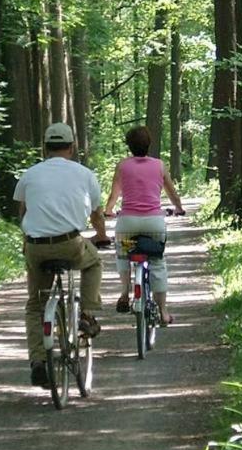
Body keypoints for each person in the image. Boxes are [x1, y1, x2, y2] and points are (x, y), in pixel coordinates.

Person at [14, 122, 110, 387]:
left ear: (45, 147)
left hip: (36, 246)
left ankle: (38, 361)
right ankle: (87, 314)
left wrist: (27, 239)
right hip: (70, 243)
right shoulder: (84, 174)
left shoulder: (30, 174)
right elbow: (97, 214)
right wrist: (100, 235)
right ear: (71, 146)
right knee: (94, 263)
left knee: (35, 304)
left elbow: (23, 211)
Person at [104, 125, 184, 326]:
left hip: (127, 222)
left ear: (129, 146)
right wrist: (179, 208)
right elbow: (172, 192)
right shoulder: (159, 165)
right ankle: (164, 312)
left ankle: (124, 293)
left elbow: (114, 194)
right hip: (154, 223)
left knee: (123, 255)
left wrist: (108, 210)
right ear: (149, 144)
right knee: (157, 262)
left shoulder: (122, 166)